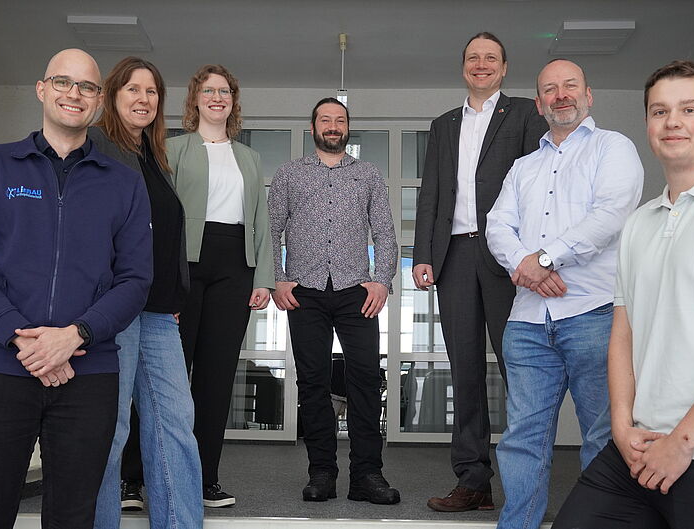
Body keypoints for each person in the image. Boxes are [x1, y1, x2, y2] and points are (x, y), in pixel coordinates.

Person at [552, 60, 694, 529]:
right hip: (637, 449)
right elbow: (623, 334)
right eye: (660, 111)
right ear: (647, 123)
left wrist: (682, 443)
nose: (674, 122)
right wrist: (621, 426)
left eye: (689, 109)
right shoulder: (639, 222)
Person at [0, 48, 152, 529]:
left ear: (99, 103)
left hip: (88, 372)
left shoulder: (124, 184)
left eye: (86, 87)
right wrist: (22, 338)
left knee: (73, 516)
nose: (73, 94)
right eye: (63, 82)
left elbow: (136, 280)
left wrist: (73, 335)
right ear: (42, 90)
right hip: (2, 366)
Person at [485, 58, 644, 529]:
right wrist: (525, 267)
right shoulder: (523, 166)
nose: (561, 95)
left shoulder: (613, 149)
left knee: (603, 433)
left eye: (570, 86)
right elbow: (497, 225)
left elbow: (610, 214)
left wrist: (545, 258)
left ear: (588, 95)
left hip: (595, 314)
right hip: (528, 321)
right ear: (539, 104)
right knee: (522, 437)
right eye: (550, 89)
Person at [414, 32, 548, 512]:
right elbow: (430, 192)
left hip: (507, 257)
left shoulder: (527, 115)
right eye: (473, 58)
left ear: (505, 67)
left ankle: (526, 483)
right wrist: (423, 254)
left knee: (522, 370)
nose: (481, 64)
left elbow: (538, 185)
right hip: (454, 257)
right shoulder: (444, 124)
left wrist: (532, 254)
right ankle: (473, 481)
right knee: (465, 372)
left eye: (491, 58)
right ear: (463, 67)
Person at [90, 57, 203, 528]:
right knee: (111, 430)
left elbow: (166, 233)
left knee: (176, 426)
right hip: (115, 309)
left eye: (152, 92)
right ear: (113, 96)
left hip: (158, 313)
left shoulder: (155, 157)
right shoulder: (97, 145)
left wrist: (176, 295)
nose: (143, 99)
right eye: (133, 90)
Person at [269, 97, 399, 505]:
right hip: (303, 291)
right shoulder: (289, 174)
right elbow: (270, 231)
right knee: (312, 383)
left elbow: (386, 233)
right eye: (325, 119)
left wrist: (382, 282)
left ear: (347, 128)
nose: (332, 125)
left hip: (357, 291)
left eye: (339, 120)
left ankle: (367, 475)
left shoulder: (369, 175)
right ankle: (322, 472)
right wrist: (278, 280)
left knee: (363, 381)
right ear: (313, 128)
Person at [167, 64, 275, 507]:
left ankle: (205, 478)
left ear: (233, 101)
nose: (217, 97)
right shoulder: (171, 148)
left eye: (225, 91)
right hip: (184, 263)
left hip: (236, 264)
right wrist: (165, 283)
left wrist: (264, 278)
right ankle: (133, 479)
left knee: (215, 380)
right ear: (195, 99)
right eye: (208, 91)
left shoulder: (248, 157)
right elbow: (165, 220)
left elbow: (261, 223)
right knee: (169, 376)